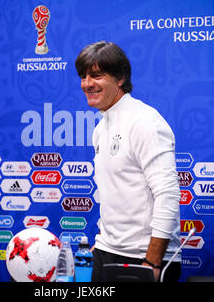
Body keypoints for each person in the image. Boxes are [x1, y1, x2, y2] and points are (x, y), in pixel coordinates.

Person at [75, 41, 181, 282]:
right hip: (107, 253)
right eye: (83, 76)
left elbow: (168, 194)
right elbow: (116, 195)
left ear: (120, 78)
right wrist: (103, 245)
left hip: (144, 259)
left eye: (96, 75)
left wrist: (152, 261)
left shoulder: (145, 121)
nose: (87, 83)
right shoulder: (101, 128)